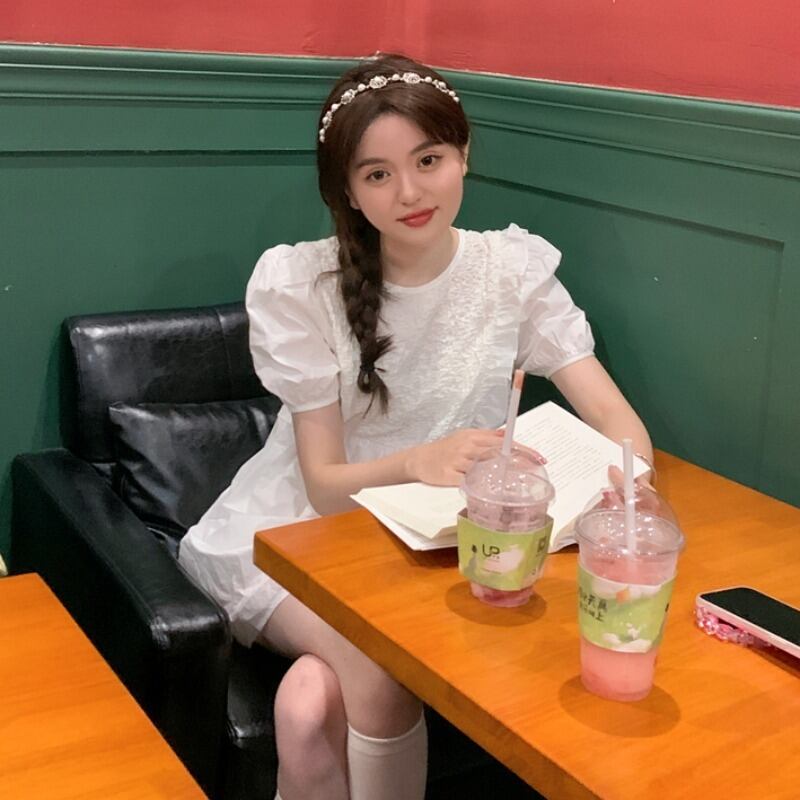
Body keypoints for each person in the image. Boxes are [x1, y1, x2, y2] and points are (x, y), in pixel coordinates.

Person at [178, 53, 653, 800]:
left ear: (463, 154)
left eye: (428, 160)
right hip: (301, 537)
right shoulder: (301, 285)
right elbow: (324, 488)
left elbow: (616, 419)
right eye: (378, 174)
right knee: (378, 668)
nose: (409, 192)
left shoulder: (512, 270)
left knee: (307, 706)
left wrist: (629, 479)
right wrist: (417, 462)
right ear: (348, 190)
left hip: (435, 548)